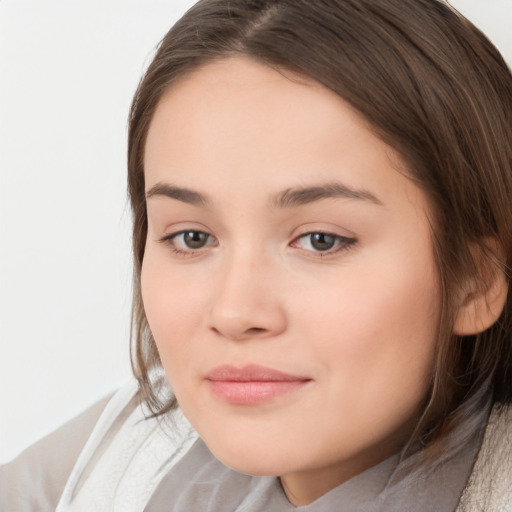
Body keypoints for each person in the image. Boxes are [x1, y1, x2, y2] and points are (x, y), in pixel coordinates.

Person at [1, 0, 511, 510]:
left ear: (475, 281)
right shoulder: (125, 457)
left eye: (320, 240)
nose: (235, 312)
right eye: (192, 238)